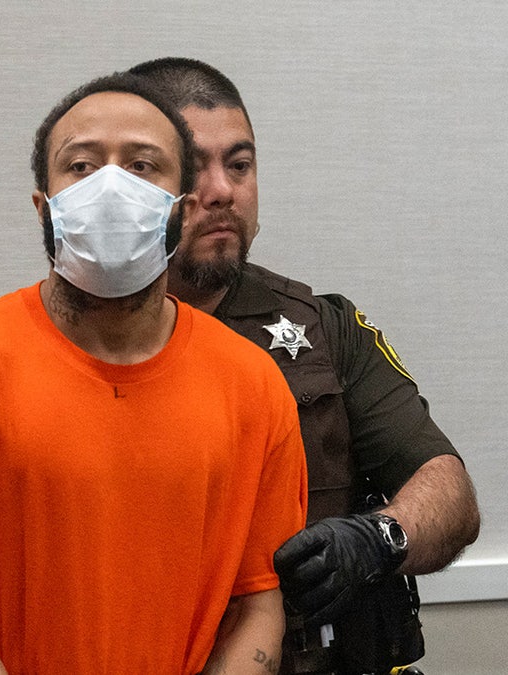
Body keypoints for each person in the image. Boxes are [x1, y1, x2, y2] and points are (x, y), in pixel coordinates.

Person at [0, 72, 308, 674]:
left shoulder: (251, 385)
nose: (113, 185)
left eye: (143, 165)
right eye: (81, 166)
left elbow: (258, 607)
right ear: (45, 207)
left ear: (183, 208)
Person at [128, 57, 481, 674]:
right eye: (192, 169)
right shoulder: (82, 335)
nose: (222, 191)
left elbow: (450, 493)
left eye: (240, 165)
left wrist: (377, 538)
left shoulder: (325, 327)